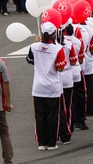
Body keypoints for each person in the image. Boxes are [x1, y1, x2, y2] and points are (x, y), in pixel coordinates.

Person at [26, 22, 66, 151]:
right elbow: (60, 68)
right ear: (54, 34)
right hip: (53, 88)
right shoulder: (58, 49)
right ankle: (52, 143)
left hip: (38, 87)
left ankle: (41, 143)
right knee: (53, 116)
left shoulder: (33, 47)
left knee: (40, 116)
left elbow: (30, 60)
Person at [0, 57, 13, 164]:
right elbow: (6, 83)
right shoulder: (1, 63)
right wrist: (8, 102)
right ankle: (8, 160)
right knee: (4, 132)